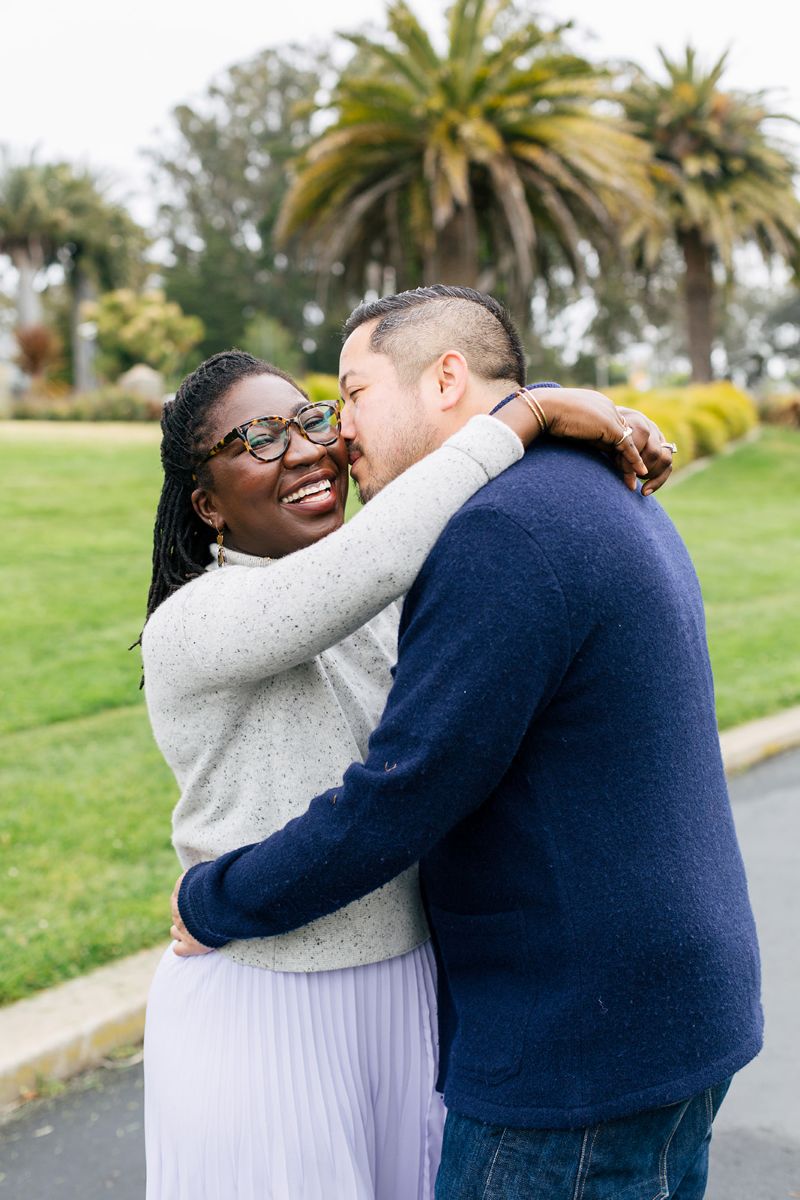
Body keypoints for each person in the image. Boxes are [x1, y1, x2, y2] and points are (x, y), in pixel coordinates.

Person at [172, 286, 763, 1200]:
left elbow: (400, 794)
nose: (337, 436)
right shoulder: (586, 485)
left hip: (573, 1044)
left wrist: (211, 899)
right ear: (205, 501)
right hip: (654, 1017)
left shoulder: (502, 532)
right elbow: (361, 570)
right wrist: (539, 411)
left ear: (446, 377)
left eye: (350, 396)